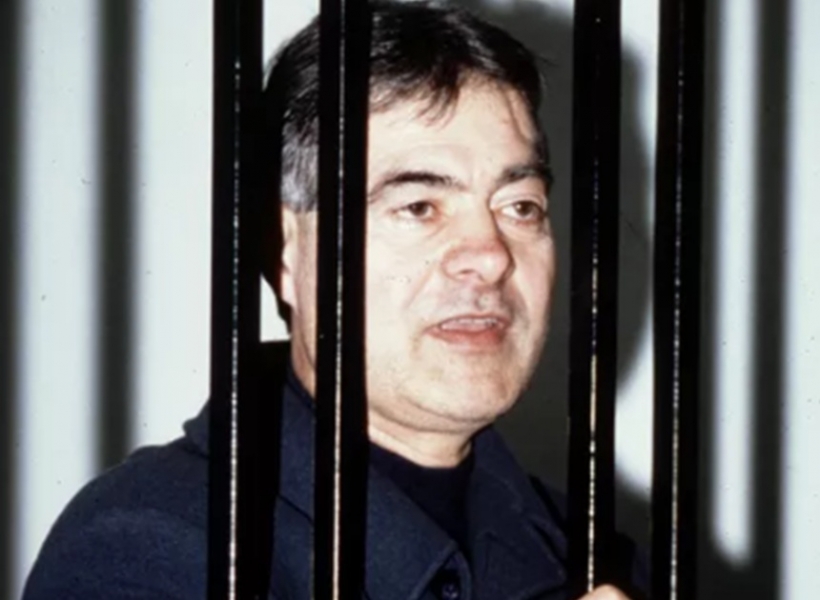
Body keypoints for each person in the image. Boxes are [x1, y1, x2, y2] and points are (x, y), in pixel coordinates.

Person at [23, 2, 644, 598]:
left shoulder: (592, 557)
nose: (490, 256)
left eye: (521, 207)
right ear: (287, 249)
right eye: (419, 207)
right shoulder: (155, 550)